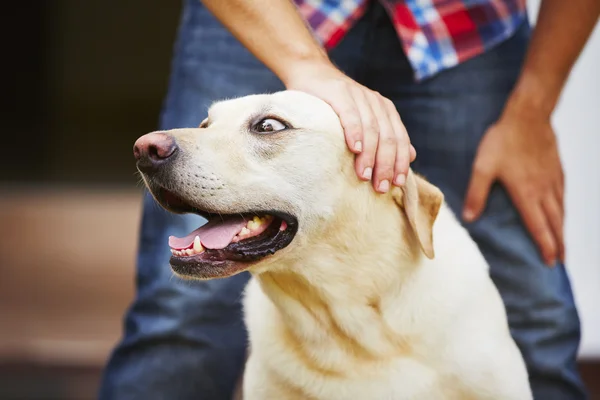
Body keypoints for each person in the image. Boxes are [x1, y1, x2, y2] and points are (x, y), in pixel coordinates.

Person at [100, 0, 599, 399]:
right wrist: (303, 65)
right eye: (210, 125)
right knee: (179, 320)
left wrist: (533, 110)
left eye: (268, 128)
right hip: (262, 12)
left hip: (464, 25)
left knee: (537, 313)